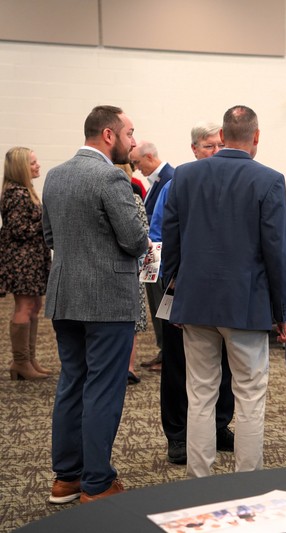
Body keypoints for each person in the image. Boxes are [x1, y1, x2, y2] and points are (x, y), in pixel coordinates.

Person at [161, 105, 286, 478]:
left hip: (195, 302)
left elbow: (171, 242)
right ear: (256, 137)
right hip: (246, 306)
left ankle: (198, 481)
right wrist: (283, 312)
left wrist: (173, 297)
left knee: (199, 394)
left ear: (221, 136)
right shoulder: (269, 179)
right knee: (250, 395)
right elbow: (276, 251)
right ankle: (246, 481)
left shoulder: (184, 176)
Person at [44, 105, 149, 504]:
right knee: (104, 390)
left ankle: (66, 479)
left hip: (64, 296)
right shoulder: (110, 177)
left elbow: (51, 237)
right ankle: (97, 484)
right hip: (107, 301)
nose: (134, 141)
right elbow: (135, 241)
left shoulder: (55, 175)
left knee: (72, 383)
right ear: (108, 135)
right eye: (130, 132)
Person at [151, 121, 234, 466]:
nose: (214, 152)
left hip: (225, 289)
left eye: (219, 145)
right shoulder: (175, 185)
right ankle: (178, 435)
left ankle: (218, 426)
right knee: (178, 364)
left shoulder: (233, 183)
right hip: (181, 288)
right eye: (208, 146)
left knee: (226, 363)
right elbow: (158, 236)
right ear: (194, 150)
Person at [0, 147, 51, 380]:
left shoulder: (25, 191)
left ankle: (29, 359)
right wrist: (46, 222)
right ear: (20, 167)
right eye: (32, 162)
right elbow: (19, 230)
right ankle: (20, 362)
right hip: (22, 260)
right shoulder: (16, 194)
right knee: (24, 307)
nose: (37, 165)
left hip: (31, 259)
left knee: (35, 307)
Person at [129, 141, 173, 369]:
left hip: (159, 252)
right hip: (151, 251)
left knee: (161, 303)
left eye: (137, 162)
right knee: (154, 303)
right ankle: (161, 349)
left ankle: (167, 352)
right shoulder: (155, 180)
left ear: (148, 157)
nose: (136, 168)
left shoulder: (169, 177)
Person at [115, 163, 149, 385]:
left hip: (103, 272)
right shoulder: (132, 198)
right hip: (129, 268)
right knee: (130, 322)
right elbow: (141, 235)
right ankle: (128, 367)